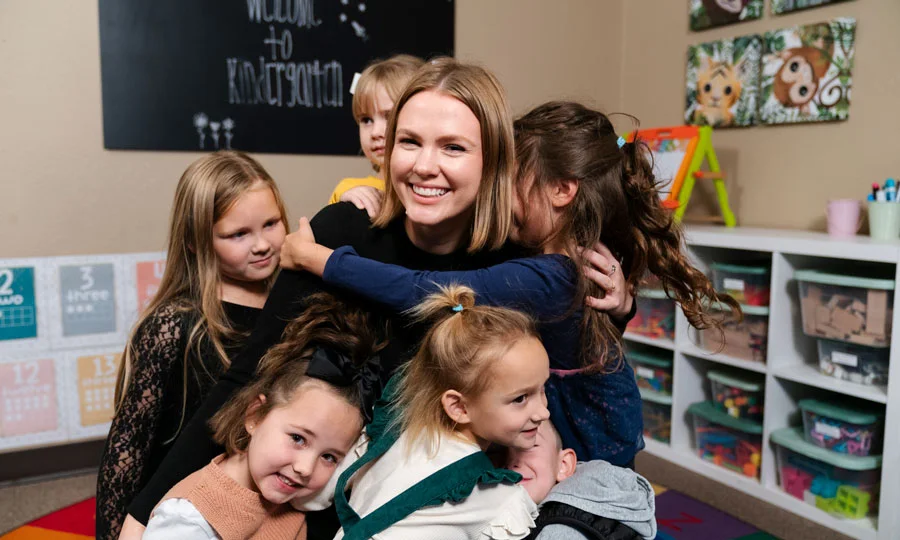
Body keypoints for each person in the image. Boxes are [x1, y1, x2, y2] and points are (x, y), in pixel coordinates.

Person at [121, 59, 617, 540]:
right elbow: (251, 370)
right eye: (409, 142)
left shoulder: (514, 260)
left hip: (458, 509)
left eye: (452, 148)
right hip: (329, 505)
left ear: (492, 161)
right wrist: (145, 510)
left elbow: (570, 362)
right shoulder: (337, 234)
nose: (425, 166)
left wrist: (618, 308)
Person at [280, 100, 738, 465]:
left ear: (562, 191)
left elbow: (426, 290)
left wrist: (320, 259)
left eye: (513, 179)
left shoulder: (551, 274)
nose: (500, 190)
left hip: (582, 435)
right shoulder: (559, 253)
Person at [96, 151, 289, 539]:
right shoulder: (175, 324)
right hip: (179, 515)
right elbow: (128, 449)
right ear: (197, 242)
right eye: (239, 234)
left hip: (262, 509)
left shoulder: (290, 309)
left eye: (271, 223)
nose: (263, 243)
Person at [142, 294, 383, 540]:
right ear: (255, 415)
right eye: (298, 438)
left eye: (329, 457)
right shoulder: (187, 519)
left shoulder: (293, 499)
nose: (305, 468)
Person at [333, 286, 544, 539]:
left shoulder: (401, 428)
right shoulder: (499, 499)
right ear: (459, 407)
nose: (543, 411)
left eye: (544, 389)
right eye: (521, 398)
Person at [507, 422, 657, 540]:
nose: (511, 462)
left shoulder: (559, 531)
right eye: (499, 451)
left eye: (529, 447)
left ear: (563, 465)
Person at [329, 54, 424, 217]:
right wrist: (346, 204)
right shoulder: (348, 190)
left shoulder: (432, 189)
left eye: (389, 116)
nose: (375, 133)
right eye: (366, 120)